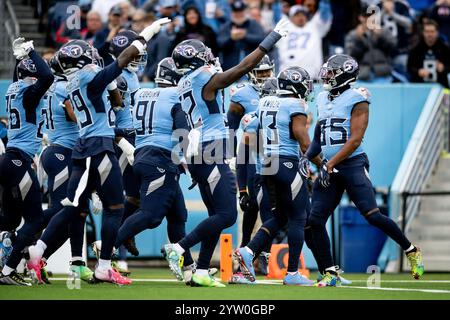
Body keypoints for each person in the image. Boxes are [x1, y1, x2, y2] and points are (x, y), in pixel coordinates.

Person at [26, 18, 172, 285]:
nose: (95, 59)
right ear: (82, 63)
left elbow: (115, 102)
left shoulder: (72, 83)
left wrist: (113, 85)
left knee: (75, 208)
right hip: (99, 146)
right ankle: (101, 265)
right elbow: (122, 60)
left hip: (86, 146)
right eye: (90, 57)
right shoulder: (89, 79)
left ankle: (39, 251)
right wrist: (146, 34)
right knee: (115, 207)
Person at [162, 18, 292, 288]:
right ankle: (180, 247)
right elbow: (245, 66)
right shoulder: (202, 80)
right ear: (198, 62)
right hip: (211, 149)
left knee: (216, 215)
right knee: (228, 215)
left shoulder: (185, 81)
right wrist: (273, 38)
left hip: (201, 151)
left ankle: (199, 271)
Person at [306, 54, 424, 287]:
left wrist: (330, 164)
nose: (327, 77)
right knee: (314, 220)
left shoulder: (358, 97)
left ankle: (411, 250)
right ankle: (330, 272)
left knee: (371, 214)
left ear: (345, 75)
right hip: (329, 168)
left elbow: (355, 140)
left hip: (352, 164)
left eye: (332, 73)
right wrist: (308, 157)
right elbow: (319, 136)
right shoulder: (321, 98)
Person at [113, 58, 198, 285]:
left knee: (178, 215)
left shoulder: (141, 93)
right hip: (161, 159)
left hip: (143, 155)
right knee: (151, 216)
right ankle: (108, 246)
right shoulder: (175, 96)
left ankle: (189, 266)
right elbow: (182, 131)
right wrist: (189, 159)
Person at [235, 66, 316, 286]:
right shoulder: (297, 104)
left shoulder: (263, 102)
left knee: (280, 216)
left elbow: (251, 140)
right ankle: (292, 273)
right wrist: (322, 163)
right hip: (286, 163)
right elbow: (304, 140)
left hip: (266, 165)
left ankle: (248, 251)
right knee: (299, 217)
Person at [0, 38, 54, 286]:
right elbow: (48, 77)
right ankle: (8, 270)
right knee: (35, 220)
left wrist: (18, 59)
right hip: (19, 162)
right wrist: (31, 52)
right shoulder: (30, 93)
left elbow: (27, 77)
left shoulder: (14, 89)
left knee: (10, 220)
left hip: (9, 159)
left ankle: (7, 263)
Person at [37, 55, 95, 283]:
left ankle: (77, 261)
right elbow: (75, 114)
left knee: (78, 211)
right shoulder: (63, 88)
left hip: (62, 152)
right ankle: (21, 242)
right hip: (63, 152)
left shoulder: (51, 88)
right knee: (64, 210)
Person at [227, 55, 275, 275]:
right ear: (251, 74)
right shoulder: (243, 95)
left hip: (276, 157)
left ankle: (260, 254)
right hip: (252, 156)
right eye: (260, 72)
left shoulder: (280, 90)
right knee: (252, 207)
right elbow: (233, 131)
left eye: (267, 72)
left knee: (268, 209)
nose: (264, 76)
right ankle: (247, 252)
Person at [276, 1, 332, 80]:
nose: (300, 17)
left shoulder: (315, 27)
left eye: (303, 14)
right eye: (297, 15)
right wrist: (275, 3)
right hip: (287, 77)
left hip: (312, 78)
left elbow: (324, 13)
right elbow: (277, 15)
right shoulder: (284, 28)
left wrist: (325, 2)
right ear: (291, 17)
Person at [345, 5, 397, 82]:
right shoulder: (353, 35)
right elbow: (350, 58)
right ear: (360, 18)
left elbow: (393, 50)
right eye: (366, 16)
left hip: (382, 74)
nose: (369, 19)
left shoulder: (384, 31)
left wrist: (380, 37)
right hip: (362, 75)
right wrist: (359, 40)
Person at [217, 0, 266, 71]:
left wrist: (245, 36)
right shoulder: (226, 26)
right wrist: (231, 39)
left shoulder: (253, 24)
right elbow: (219, 44)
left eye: (241, 11)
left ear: (245, 11)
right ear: (232, 12)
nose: (238, 14)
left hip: (252, 67)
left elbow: (262, 40)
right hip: (230, 69)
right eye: (236, 12)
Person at [407, 19, 450, 88]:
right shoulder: (415, 48)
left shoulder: (445, 48)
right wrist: (418, 71)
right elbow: (409, 67)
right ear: (423, 32)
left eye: (432, 32)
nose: (429, 34)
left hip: (441, 86)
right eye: (427, 32)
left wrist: (444, 68)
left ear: (437, 33)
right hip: (420, 86)